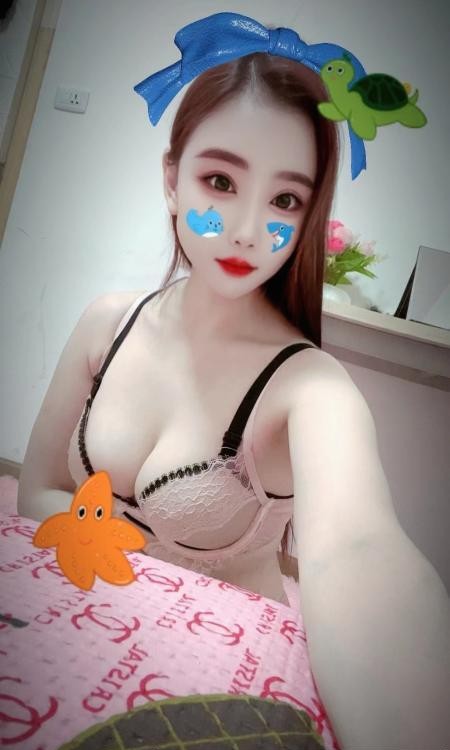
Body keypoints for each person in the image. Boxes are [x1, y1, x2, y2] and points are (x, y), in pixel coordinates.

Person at [17, 13, 449, 748]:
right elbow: (36, 490)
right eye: (220, 181)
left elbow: (360, 550)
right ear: (171, 179)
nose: (248, 229)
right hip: (82, 646)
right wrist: (115, 556)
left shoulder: (309, 387)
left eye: (285, 200)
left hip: (217, 682)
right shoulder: (106, 323)